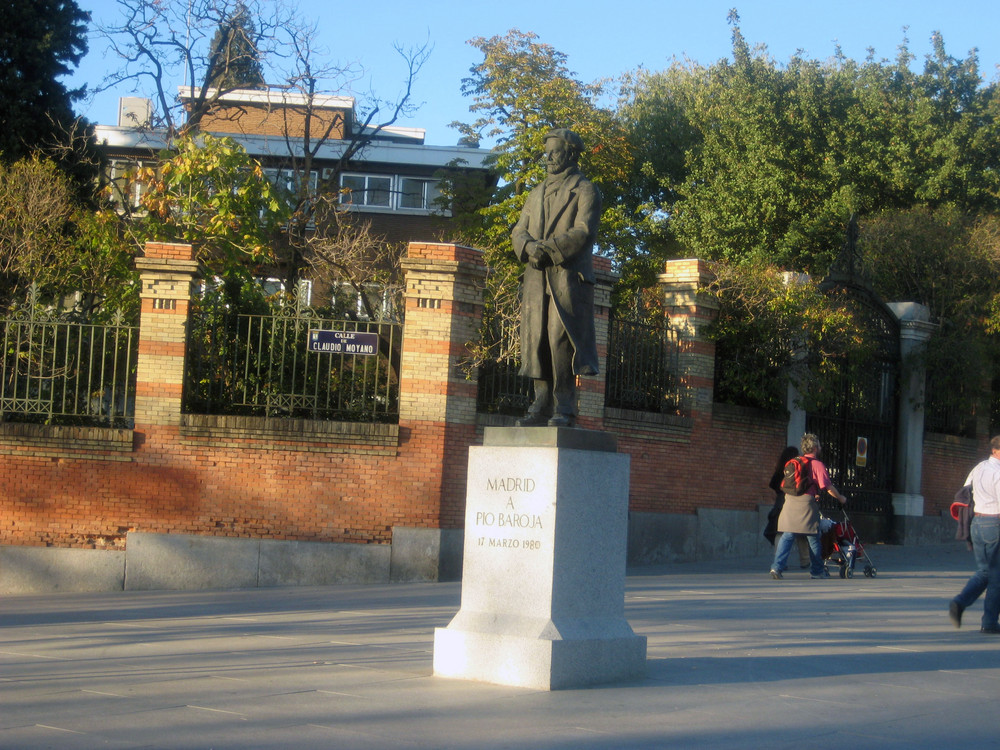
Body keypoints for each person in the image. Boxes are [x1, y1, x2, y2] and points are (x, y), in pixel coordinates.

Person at [512, 128, 601, 428]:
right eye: (547, 152)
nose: (548, 157)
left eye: (555, 152)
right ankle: (541, 401)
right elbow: (519, 229)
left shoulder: (585, 189)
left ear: (571, 154)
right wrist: (527, 247)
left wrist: (547, 250)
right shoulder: (536, 192)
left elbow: (583, 231)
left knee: (558, 338)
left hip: (565, 277)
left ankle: (564, 404)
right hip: (537, 278)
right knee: (535, 338)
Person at [769, 433, 847, 579]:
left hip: (790, 501)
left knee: (788, 535)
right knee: (813, 537)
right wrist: (841, 498)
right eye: (819, 444)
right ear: (815, 448)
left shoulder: (794, 461)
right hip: (806, 504)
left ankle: (777, 567)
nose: (821, 447)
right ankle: (817, 571)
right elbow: (827, 487)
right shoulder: (817, 464)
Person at [949, 436, 1000, 633]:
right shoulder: (997, 472)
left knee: (986, 571)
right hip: (994, 522)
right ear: (996, 451)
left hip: (977, 522)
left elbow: (966, 490)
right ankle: (989, 622)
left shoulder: (978, 468)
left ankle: (960, 602)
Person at [763, 446, 799, 546]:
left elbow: (772, 484)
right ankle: (779, 560)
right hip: (789, 503)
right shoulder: (794, 470)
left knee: (778, 532)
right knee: (786, 533)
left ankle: (777, 559)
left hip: (779, 503)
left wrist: (778, 494)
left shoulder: (780, 469)